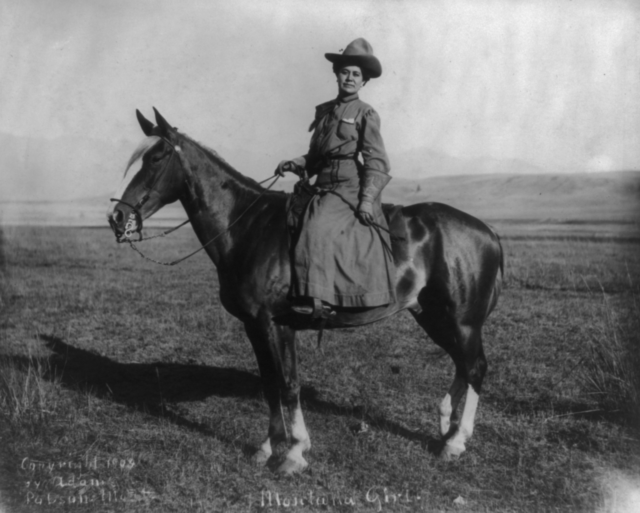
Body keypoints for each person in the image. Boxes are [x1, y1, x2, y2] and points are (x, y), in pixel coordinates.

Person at [276, 38, 396, 318]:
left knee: (317, 226)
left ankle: (319, 299)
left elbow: (377, 161)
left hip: (348, 187)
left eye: (356, 74)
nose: (350, 78)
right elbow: (316, 156)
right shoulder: (325, 112)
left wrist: (367, 200)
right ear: (337, 75)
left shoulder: (365, 112)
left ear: (364, 81)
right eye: (345, 72)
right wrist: (297, 163)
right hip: (322, 184)